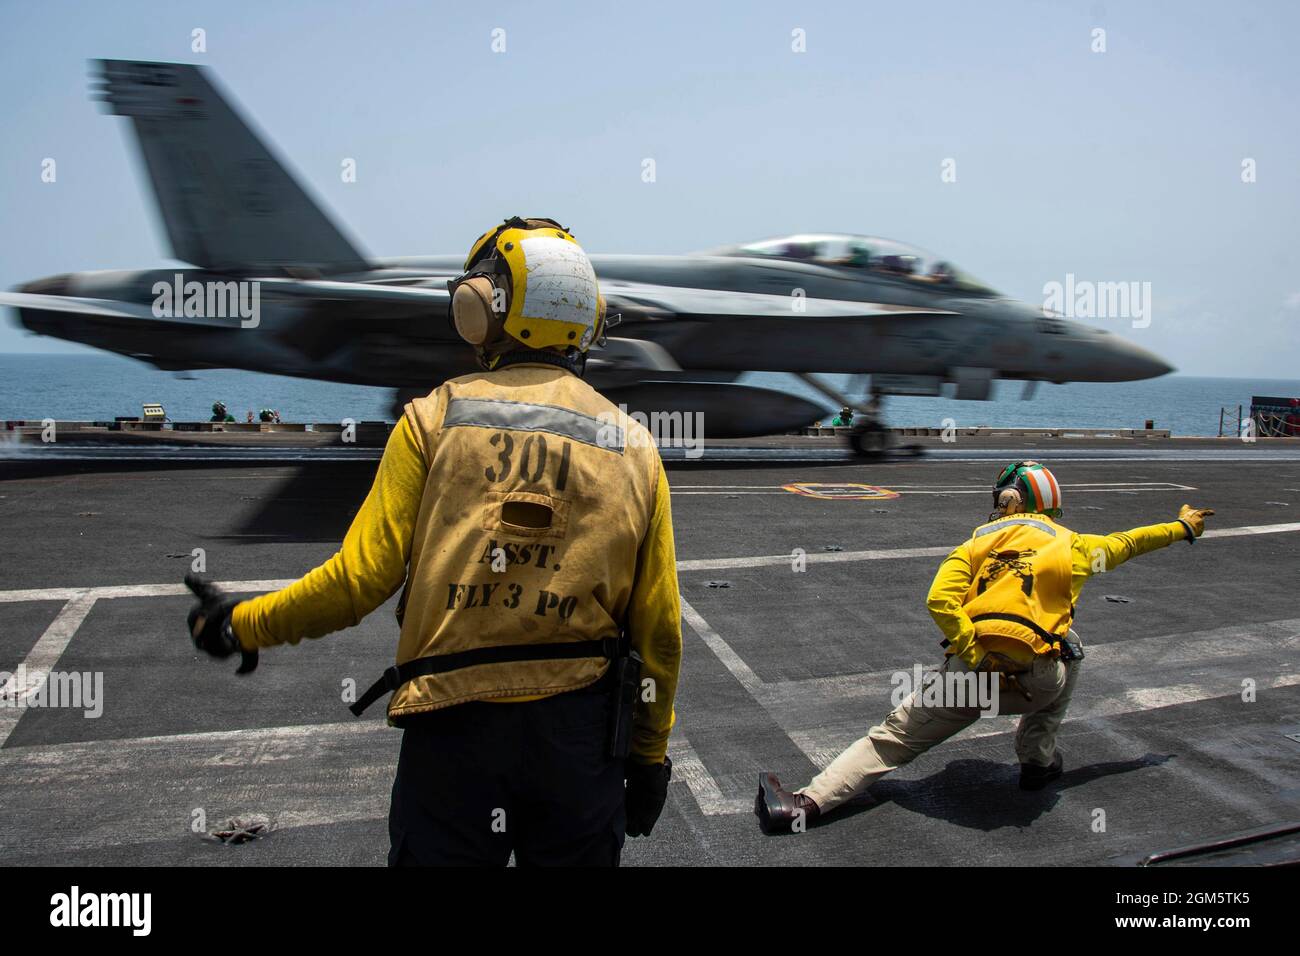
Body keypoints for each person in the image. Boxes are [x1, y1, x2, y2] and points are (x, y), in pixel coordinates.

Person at [184, 217, 682, 865]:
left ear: (483, 308)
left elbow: (355, 582)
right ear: (585, 317)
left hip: (452, 736)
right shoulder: (634, 445)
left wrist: (242, 624)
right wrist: (648, 758)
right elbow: (662, 630)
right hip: (579, 740)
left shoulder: (432, 419)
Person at [756, 460, 1214, 832]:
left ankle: (802, 805)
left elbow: (940, 600)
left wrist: (973, 650)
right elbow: (1128, 542)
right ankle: (1037, 761)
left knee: (890, 742)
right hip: (1039, 680)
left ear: (1005, 501)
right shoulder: (1073, 544)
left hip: (974, 676)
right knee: (1068, 646)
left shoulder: (975, 542)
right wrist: (1182, 526)